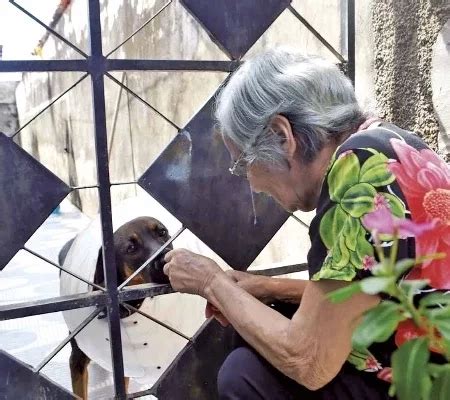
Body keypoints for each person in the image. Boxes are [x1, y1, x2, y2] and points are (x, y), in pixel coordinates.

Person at [163, 48, 450, 399]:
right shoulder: (389, 142)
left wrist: (210, 282)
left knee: (245, 374)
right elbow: (369, 297)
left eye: (244, 163)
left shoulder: (357, 175)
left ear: (282, 135)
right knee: (262, 320)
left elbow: (310, 362)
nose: (251, 183)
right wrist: (267, 288)